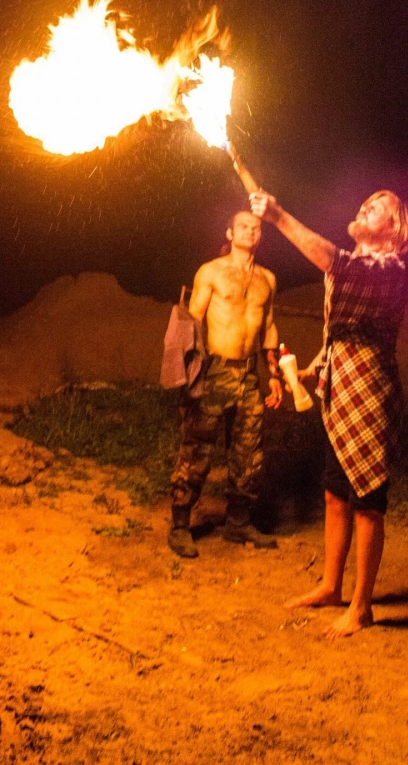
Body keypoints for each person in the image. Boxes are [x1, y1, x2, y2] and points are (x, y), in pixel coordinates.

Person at [250, 187, 408, 637]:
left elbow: (335, 263)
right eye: (364, 202)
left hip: (370, 397)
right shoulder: (352, 267)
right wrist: (312, 368)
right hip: (338, 391)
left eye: (377, 207)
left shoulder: (392, 269)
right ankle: (331, 586)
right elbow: (341, 330)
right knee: (334, 495)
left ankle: (361, 606)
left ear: (394, 230)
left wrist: (278, 216)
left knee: (367, 505)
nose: (364, 206)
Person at [168, 211, 283, 558]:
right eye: (243, 226)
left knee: (249, 452)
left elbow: (269, 327)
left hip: (249, 374)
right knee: (197, 449)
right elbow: (192, 322)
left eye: (256, 227)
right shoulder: (211, 271)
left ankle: (238, 522)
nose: (250, 231)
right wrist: (187, 375)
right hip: (215, 370)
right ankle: (180, 525)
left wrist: (274, 374)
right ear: (230, 233)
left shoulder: (267, 279)